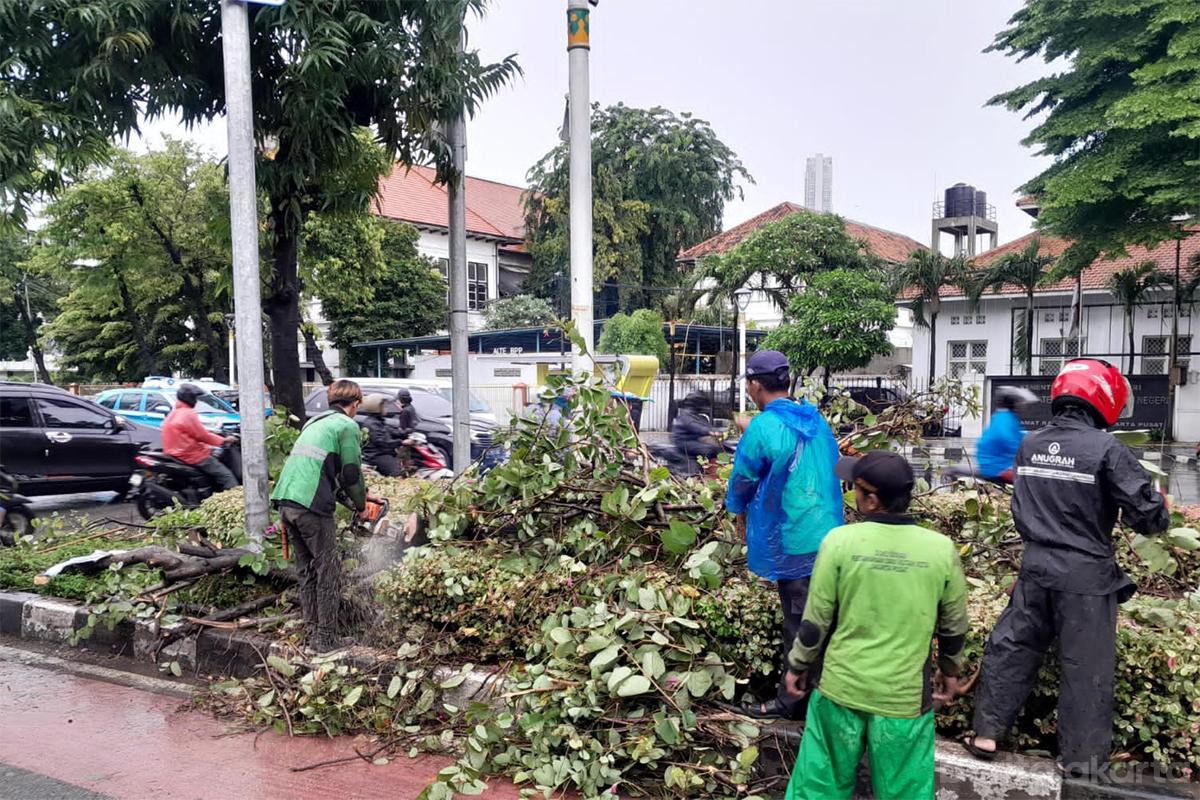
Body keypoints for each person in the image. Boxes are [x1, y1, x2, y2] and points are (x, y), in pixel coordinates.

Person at [966, 359, 1169, 778]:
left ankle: (986, 733)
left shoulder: (1030, 444)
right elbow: (1148, 519)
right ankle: (1081, 760)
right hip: (1086, 578)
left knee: (1012, 647)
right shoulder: (1108, 449)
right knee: (1086, 668)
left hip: (1034, 568)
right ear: (1104, 399)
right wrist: (1159, 502)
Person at [783, 450, 969, 800]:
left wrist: (798, 665)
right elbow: (954, 626)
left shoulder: (840, 542)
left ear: (870, 500)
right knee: (905, 792)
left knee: (817, 788)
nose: (851, 493)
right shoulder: (941, 550)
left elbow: (815, 620)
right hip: (903, 701)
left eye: (854, 488)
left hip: (840, 692)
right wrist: (950, 670)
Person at [725, 350, 844, 720]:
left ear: (754, 385)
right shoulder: (814, 418)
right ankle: (819, 697)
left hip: (795, 540)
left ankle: (791, 704)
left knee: (802, 622)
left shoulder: (764, 427)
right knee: (825, 616)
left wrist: (736, 512)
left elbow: (743, 478)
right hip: (830, 536)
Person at [271, 379, 382, 652]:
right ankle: (326, 639)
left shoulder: (315, 423)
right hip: (311, 509)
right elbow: (351, 475)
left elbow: (325, 476)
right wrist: (359, 505)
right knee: (328, 573)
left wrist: (357, 500)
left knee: (307, 571)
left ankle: (312, 633)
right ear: (355, 403)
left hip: (288, 502)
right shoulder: (346, 426)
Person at [161, 383, 238, 491]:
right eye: (194, 398)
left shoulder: (174, 413)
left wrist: (212, 432)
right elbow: (202, 436)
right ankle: (234, 501)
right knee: (226, 476)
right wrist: (224, 440)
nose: (196, 401)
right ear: (189, 398)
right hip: (190, 454)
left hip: (174, 453)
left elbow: (191, 431)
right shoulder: (188, 413)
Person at [974, 386, 1037, 482]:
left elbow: (1019, 437)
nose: (1024, 406)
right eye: (1020, 402)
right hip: (998, 467)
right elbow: (1010, 441)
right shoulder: (1005, 419)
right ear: (1014, 404)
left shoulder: (1005, 417)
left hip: (998, 463)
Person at [359, 393, 404, 477]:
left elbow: (390, 430)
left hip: (382, 452)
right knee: (397, 472)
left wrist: (405, 433)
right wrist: (401, 442)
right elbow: (382, 442)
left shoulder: (379, 421)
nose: (386, 408)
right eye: (384, 406)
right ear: (377, 408)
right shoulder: (371, 424)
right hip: (376, 455)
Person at [672, 392, 721, 463]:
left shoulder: (698, 415)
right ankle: (704, 470)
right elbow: (693, 426)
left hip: (694, 440)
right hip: (684, 442)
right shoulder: (686, 414)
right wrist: (709, 432)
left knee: (722, 446)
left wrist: (721, 431)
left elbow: (706, 426)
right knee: (711, 450)